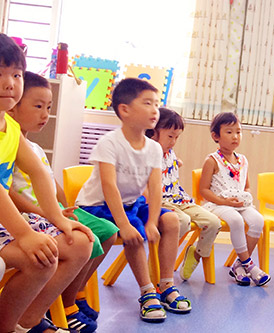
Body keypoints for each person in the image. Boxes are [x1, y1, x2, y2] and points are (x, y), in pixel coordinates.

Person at [8, 71, 119, 332]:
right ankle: (64, 304)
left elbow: (48, 181)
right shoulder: (11, 145)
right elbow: (9, 193)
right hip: (31, 216)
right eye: (37, 106)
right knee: (83, 238)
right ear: (13, 109)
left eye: (48, 107)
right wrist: (47, 213)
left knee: (106, 232)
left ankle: (74, 294)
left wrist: (67, 207)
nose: (45, 114)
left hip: (50, 212)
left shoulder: (33, 148)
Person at [75, 78, 191, 323]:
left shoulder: (154, 148)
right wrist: (127, 225)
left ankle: (165, 285)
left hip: (131, 203)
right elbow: (109, 187)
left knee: (170, 220)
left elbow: (155, 187)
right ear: (124, 110)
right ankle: (147, 292)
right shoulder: (110, 143)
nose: (154, 110)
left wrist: (152, 221)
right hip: (97, 206)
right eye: (147, 103)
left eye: (156, 104)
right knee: (135, 231)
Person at [0, 32, 93, 333]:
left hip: (6, 222)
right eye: (0, 74)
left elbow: (40, 174)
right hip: (8, 221)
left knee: (80, 242)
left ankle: (27, 321)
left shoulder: (9, 126)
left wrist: (57, 219)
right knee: (40, 259)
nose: (9, 83)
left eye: (15, 74)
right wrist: (26, 235)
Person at [146, 108, 221, 281]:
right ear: (154, 132)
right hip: (161, 202)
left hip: (180, 199)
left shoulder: (168, 151)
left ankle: (196, 254)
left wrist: (175, 162)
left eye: (177, 137)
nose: (173, 142)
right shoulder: (148, 150)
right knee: (182, 222)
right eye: (170, 136)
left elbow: (168, 163)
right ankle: (157, 269)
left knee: (213, 222)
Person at [199, 112, 269, 286]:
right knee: (236, 220)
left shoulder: (243, 160)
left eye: (238, 132)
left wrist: (244, 196)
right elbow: (203, 190)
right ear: (216, 136)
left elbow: (246, 186)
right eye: (229, 132)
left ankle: (239, 265)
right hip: (217, 204)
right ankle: (250, 265)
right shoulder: (212, 160)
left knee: (258, 220)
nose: (235, 136)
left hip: (239, 204)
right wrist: (225, 202)